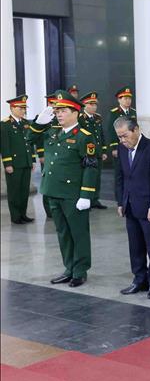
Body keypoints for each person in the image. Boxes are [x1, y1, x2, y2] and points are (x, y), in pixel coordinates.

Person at [28, 90, 100, 287]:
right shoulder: (51, 132)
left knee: (78, 233)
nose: (58, 114)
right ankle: (69, 268)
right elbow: (28, 139)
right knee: (63, 233)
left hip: (73, 195)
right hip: (53, 192)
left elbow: (91, 167)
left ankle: (80, 270)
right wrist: (38, 123)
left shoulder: (85, 137)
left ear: (75, 112)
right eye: (57, 111)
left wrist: (86, 195)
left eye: (63, 110)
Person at [114, 117, 150, 300]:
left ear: (136, 129)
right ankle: (139, 280)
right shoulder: (121, 149)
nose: (122, 140)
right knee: (135, 247)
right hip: (129, 205)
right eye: (119, 137)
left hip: (149, 207)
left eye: (125, 135)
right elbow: (119, 177)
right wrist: (120, 202)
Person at [2, 95, 36, 224]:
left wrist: (32, 160)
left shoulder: (26, 123)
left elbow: (30, 143)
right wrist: (7, 163)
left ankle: (23, 214)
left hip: (25, 162)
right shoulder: (5, 124)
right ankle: (16, 216)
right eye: (20, 108)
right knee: (14, 190)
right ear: (12, 108)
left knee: (24, 190)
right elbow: (5, 146)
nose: (23, 110)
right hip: (14, 164)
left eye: (24, 108)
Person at [79, 92, 108, 209]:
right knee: (87, 178)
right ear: (84, 105)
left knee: (97, 177)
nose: (94, 107)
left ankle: (95, 199)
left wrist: (104, 150)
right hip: (88, 153)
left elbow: (101, 135)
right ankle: (88, 199)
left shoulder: (97, 117)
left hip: (98, 152)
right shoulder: (81, 119)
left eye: (95, 104)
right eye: (91, 104)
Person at [107, 86, 136, 163]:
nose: (128, 101)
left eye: (129, 98)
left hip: (132, 145)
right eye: (125, 99)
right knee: (119, 169)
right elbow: (111, 131)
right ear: (119, 99)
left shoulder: (133, 112)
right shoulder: (114, 113)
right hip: (120, 145)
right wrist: (114, 147)